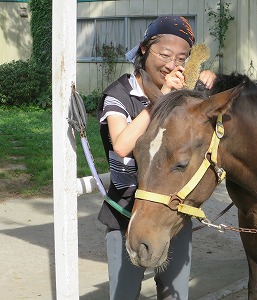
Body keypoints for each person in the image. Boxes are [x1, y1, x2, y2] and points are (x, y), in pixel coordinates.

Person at [97, 15, 216, 300]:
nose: (171, 64)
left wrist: (208, 82)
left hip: (171, 212)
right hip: (126, 212)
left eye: (181, 58)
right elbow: (123, 145)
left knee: (175, 294)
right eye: (164, 54)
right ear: (143, 50)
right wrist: (160, 100)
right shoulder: (119, 95)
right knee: (123, 294)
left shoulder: (180, 92)